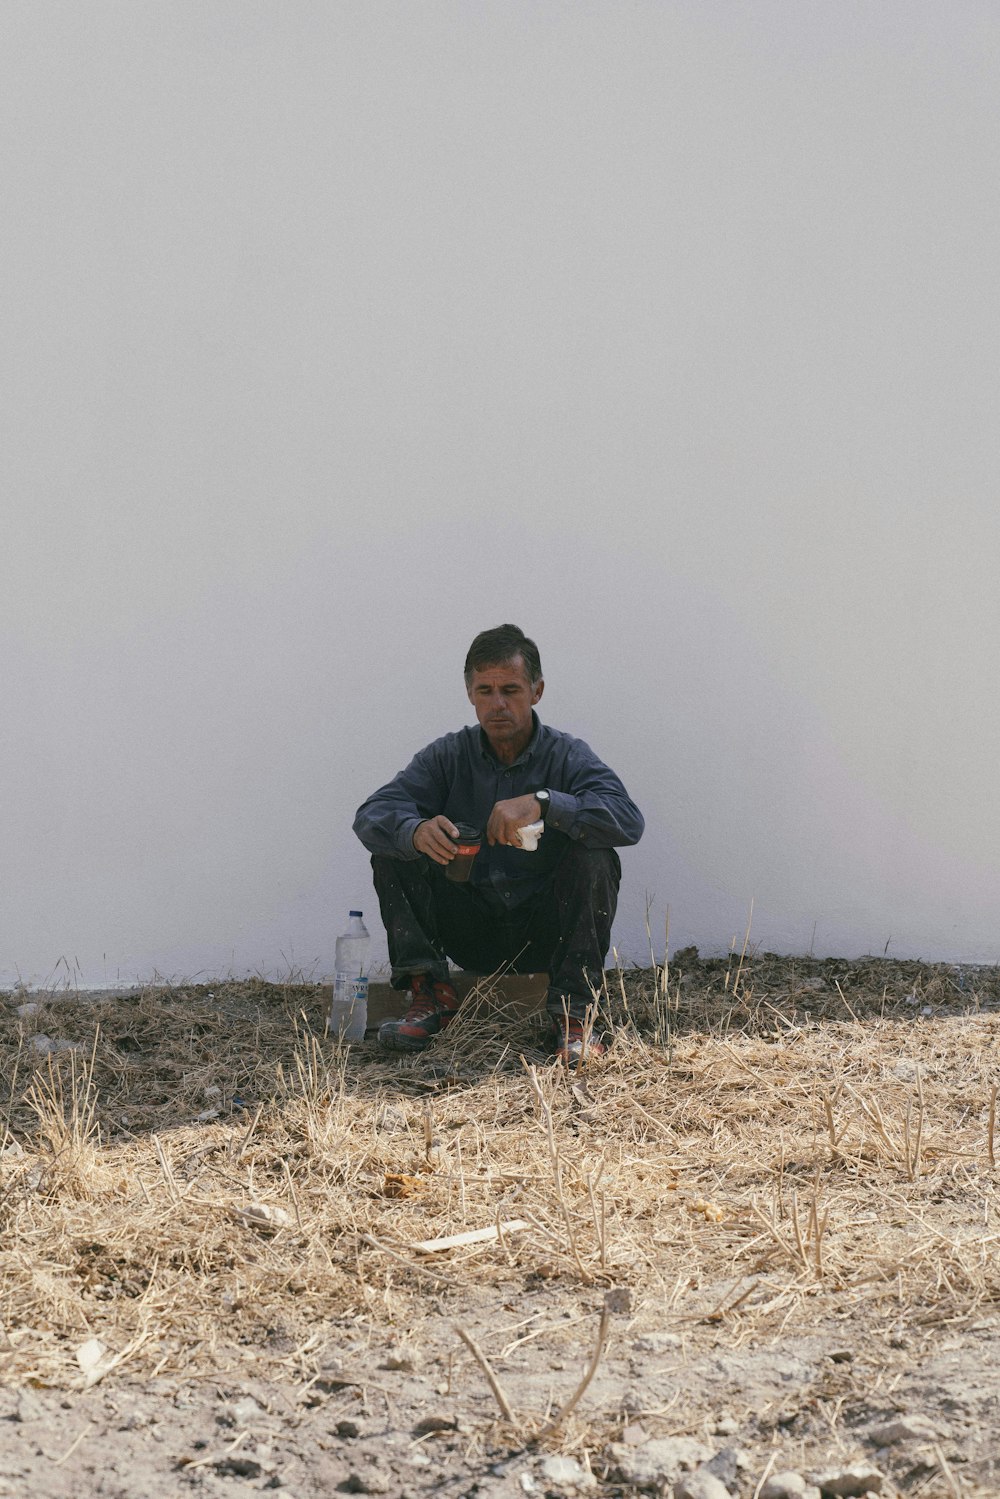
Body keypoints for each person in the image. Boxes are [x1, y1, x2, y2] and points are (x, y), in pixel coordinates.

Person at [352, 624, 644, 1062]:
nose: (498, 704)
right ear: (470, 693)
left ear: (537, 691)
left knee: (596, 855)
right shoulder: (447, 757)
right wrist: (414, 832)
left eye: (511, 689)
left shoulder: (567, 756)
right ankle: (431, 996)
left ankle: (575, 1014)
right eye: (485, 690)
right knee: (395, 848)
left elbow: (628, 820)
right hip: (468, 928)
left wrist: (545, 804)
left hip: (544, 932)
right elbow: (372, 813)